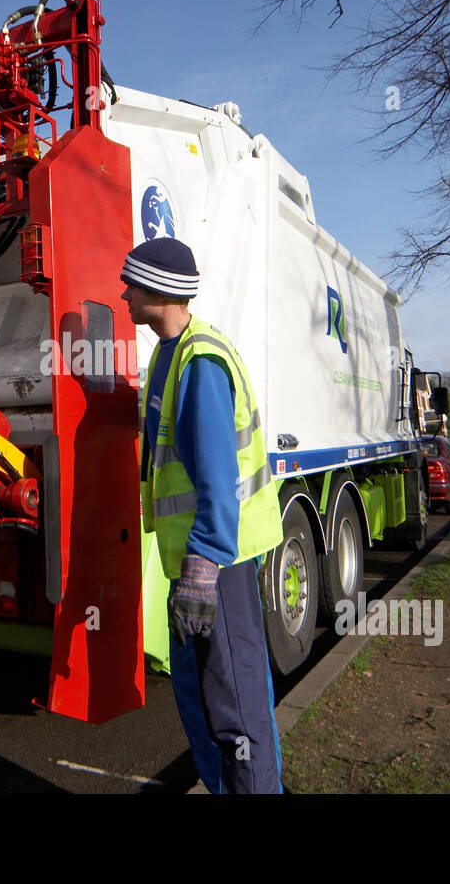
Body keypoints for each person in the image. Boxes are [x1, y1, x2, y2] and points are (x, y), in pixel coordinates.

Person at [120, 236, 285, 794]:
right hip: (190, 563)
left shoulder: (201, 360)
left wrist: (205, 561)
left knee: (234, 707)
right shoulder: (170, 355)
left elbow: (218, 476)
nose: (123, 292)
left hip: (217, 564)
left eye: (131, 283)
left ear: (159, 291)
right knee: (199, 700)